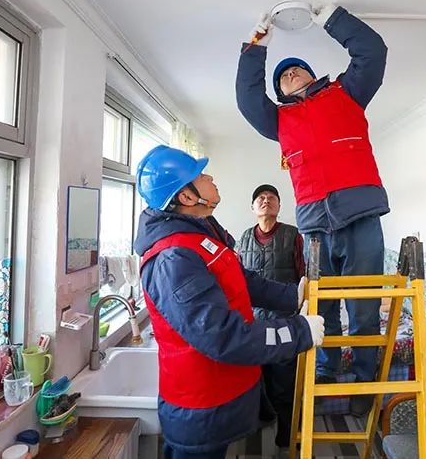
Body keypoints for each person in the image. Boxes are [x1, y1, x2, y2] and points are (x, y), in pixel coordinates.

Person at [235, 3, 389, 416]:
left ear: (311, 74)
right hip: (316, 229)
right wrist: (256, 46)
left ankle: (363, 388)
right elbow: (248, 98)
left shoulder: (347, 93)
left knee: (363, 310)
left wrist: (331, 18)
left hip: (360, 218)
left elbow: (373, 51)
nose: (289, 74)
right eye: (282, 77)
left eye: (295, 69)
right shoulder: (279, 121)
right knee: (323, 310)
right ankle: (324, 376)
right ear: (280, 93)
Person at [134, 145, 325, 459]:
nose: (209, 177)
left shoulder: (201, 235)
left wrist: (292, 295)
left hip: (220, 396)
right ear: (187, 197)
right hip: (201, 407)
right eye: (200, 175)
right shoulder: (174, 258)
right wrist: (298, 332)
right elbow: (223, 335)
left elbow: (242, 280)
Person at [235, 184, 304, 449]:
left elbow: (303, 276)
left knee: (285, 379)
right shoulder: (243, 238)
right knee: (257, 376)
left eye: (272, 198)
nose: (266, 201)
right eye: (261, 198)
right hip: (253, 321)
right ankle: (260, 421)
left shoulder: (293, 235)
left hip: (284, 319)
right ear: (253, 208)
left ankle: (287, 433)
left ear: (279, 206)